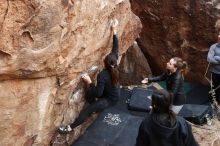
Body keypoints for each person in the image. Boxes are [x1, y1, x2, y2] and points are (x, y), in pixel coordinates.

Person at [58, 19, 120, 134]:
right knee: (91, 96)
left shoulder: (103, 75)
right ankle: (96, 106)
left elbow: (98, 94)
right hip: (115, 94)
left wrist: (89, 82)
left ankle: (69, 128)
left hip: (109, 100)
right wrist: (114, 30)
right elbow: (116, 46)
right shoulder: (115, 64)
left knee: (87, 111)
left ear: (105, 63)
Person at [207, 34, 220, 105]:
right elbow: (209, 59)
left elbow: (213, 58)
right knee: (214, 87)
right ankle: (215, 101)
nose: (219, 40)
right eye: (218, 38)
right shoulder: (213, 47)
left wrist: (216, 57)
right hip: (214, 72)